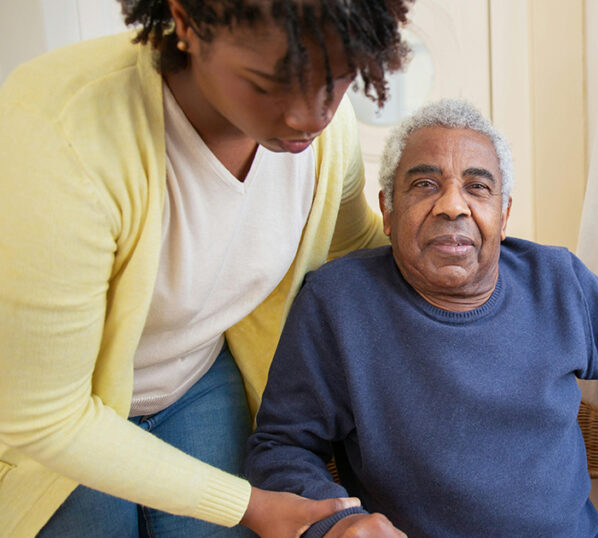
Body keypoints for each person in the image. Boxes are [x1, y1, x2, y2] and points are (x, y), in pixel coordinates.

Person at [245, 98, 598, 538]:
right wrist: (337, 523)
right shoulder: (339, 303)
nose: (452, 206)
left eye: (477, 187)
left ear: (503, 215)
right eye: (424, 184)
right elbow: (281, 446)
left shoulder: (557, 282)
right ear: (386, 210)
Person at [0, 0, 413, 536]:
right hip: (56, 415)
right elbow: (45, 417)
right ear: (188, 23)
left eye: (337, 80)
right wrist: (248, 505)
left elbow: (358, 248)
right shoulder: (60, 135)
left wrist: (505, 285)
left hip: (198, 375)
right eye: (268, 84)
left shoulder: (326, 140)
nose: (310, 116)